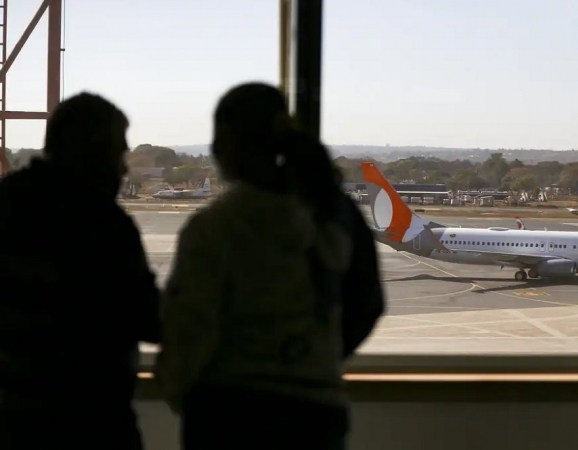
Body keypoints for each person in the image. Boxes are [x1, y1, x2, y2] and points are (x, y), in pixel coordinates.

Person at [155, 82, 385, 449]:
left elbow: (190, 329)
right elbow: (367, 304)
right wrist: (310, 361)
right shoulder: (337, 215)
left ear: (226, 144)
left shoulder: (214, 227)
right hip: (316, 415)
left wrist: (182, 391)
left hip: (230, 416)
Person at [0, 92, 161, 449]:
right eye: (117, 154)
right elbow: (150, 319)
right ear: (93, 152)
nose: (122, 169)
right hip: (91, 422)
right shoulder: (104, 225)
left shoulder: (7, 204)